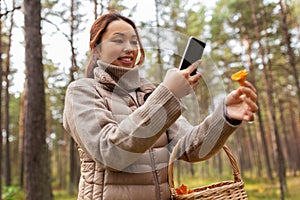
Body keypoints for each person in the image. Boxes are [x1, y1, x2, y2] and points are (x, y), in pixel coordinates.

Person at [63, 11, 258, 200]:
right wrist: (169, 94)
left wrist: (225, 115)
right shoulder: (82, 92)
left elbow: (190, 147)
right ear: (96, 48)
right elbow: (111, 153)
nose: (129, 48)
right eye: (118, 40)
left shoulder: (150, 94)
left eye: (134, 41)